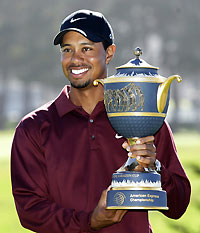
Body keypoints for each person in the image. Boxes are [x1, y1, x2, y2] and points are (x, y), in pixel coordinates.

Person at [11, 9, 191, 233]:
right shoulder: (34, 127)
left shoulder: (142, 117)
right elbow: (30, 211)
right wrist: (90, 221)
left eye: (86, 48)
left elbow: (179, 205)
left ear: (109, 53)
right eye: (68, 50)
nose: (76, 59)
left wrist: (154, 167)